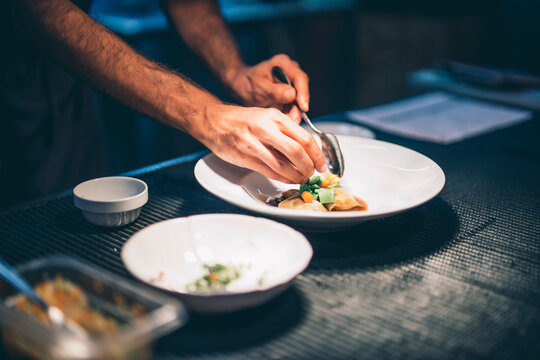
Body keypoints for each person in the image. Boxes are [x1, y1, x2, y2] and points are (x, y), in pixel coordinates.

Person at [0, 0, 327, 207]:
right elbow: (37, 11)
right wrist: (207, 115)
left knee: (75, 222)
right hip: (14, 77)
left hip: (59, 87)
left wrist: (235, 73)